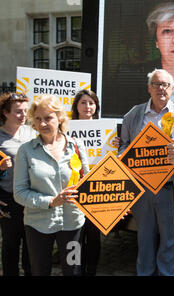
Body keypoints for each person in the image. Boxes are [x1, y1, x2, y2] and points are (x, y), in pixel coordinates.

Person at [118, 68, 174, 276]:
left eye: (165, 85)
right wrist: (125, 155)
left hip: (171, 188)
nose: (161, 88)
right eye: (156, 84)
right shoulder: (133, 114)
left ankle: (168, 274)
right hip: (142, 190)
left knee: (170, 240)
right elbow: (123, 146)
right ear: (149, 88)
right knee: (144, 238)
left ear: (172, 89)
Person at [13, 94, 89, 276]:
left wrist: (113, 205)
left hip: (73, 223)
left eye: (48, 118)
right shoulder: (26, 151)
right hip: (38, 224)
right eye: (38, 119)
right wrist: (51, 201)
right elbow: (19, 192)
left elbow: (89, 184)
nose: (42, 123)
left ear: (60, 118)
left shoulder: (76, 146)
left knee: (74, 270)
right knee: (39, 271)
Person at [0, 93, 35, 276]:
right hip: (9, 199)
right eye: (17, 112)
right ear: (6, 113)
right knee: (11, 244)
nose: (23, 116)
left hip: (31, 196)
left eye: (25, 112)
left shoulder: (31, 132)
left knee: (31, 244)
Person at [70, 89, 101, 276]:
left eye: (91, 102)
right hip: (75, 187)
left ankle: (91, 270)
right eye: (83, 102)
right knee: (76, 234)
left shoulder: (105, 130)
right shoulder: (66, 129)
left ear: (96, 106)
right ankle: (76, 269)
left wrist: (113, 143)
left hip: (96, 188)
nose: (87, 106)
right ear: (76, 106)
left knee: (94, 235)